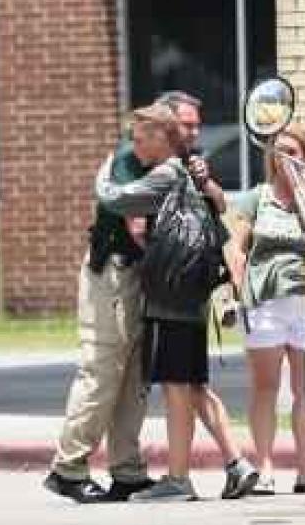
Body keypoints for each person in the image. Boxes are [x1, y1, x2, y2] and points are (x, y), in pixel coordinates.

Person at [95, 99, 256, 503]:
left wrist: (101, 174)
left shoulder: (166, 172)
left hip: (170, 298)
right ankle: (238, 464)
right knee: (194, 385)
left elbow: (117, 199)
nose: (133, 145)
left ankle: (179, 479)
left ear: (158, 137)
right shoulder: (188, 169)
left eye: (138, 137)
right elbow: (220, 209)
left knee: (177, 387)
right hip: (193, 295)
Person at [43, 105, 168, 504]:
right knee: (102, 369)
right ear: (154, 134)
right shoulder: (128, 162)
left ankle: (127, 471)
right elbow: (136, 227)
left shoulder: (168, 164)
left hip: (139, 278)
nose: (184, 138)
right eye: (176, 131)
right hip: (113, 276)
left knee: (133, 376)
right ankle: (68, 468)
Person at [226, 122, 305, 495]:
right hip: (266, 302)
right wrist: (237, 285)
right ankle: (264, 468)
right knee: (265, 388)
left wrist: (302, 187)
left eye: (292, 152)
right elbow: (236, 247)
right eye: (279, 152)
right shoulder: (256, 198)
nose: (284, 159)